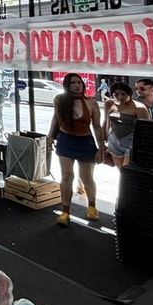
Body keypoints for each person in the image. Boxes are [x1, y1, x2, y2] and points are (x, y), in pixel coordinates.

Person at [47, 73, 104, 226]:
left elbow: (97, 126)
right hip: (66, 141)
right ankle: (65, 211)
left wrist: (101, 148)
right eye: (72, 83)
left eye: (79, 82)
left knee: (87, 177)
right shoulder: (59, 100)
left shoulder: (91, 103)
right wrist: (50, 136)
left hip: (85, 142)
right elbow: (55, 118)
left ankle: (92, 206)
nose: (77, 85)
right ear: (67, 85)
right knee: (67, 176)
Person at [103, 82, 149, 168]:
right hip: (114, 140)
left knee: (127, 170)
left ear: (129, 94)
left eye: (123, 94)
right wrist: (102, 141)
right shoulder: (109, 104)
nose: (120, 97)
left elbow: (146, 129)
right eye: (116, 94)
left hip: (131, 141)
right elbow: (106, 122)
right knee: (120, 169)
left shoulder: (139, 108)